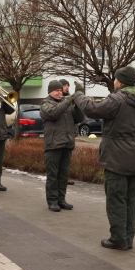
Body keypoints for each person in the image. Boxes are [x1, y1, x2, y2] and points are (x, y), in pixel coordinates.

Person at [72, 66, 135, 251]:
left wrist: (79, 95)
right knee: (131, 201)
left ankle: (118, 239)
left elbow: (92, 110)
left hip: (116, 157)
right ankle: (128, 239)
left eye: (115, 79)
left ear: (120, 81)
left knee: (115, 199)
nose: (113, 81)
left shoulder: (117, 99)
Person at [40, 80, 84, 212]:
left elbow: (79, 118)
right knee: (53, 174)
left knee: (63, 175)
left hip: (67, 143)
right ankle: (52, 201)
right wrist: (68, 101)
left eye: (61, 90)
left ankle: (61, 199)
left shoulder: (67, 104)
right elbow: (53, 113)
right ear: (50, 91)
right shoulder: (45, 104)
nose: (60, 92)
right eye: (57, 90)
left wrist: (77, 104)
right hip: (53, 145)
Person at [60, 79, 77, 187]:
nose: (67, 87)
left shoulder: (71, 99)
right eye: (64, 85)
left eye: (68, 85)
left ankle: (65, 177)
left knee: (67, 160)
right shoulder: (58, 99)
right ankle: (61, 178)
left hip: (70, 134)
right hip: (60, 135)